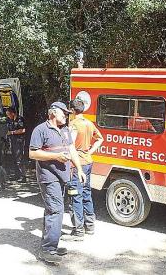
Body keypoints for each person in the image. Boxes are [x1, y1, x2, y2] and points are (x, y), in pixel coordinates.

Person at [29, 102, 86, 264]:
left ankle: (49, 245)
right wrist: (56, 157)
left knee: (52, 210)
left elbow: (72, 149)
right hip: (48, 177)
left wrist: (80, 170)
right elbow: (33, 153)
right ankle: (48, 249)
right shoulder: (40, 130)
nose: (66, 116)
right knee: (56, 210)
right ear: (53, 113)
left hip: (62, 177)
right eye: (63, 113)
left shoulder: (66, 130)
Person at [64, 98, 104, 241]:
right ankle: (90, 226)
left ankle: (78, 231)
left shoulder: (73, 125)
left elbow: (70, 145)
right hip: (88, 162)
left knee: (75, 195)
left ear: (72, 111)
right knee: (86, 192)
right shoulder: (88, 123)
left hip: (76, 165)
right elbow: (100, 139)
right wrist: (90, 151)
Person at [6, 107, 26, 182]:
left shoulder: (20, 119)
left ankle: (22, 176)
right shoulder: (9, 120)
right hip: (12, 141)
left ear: (13, 113)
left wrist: (12, 132)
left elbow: (23, 130)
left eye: (8, 114)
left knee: (19, 158)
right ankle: (16, 175)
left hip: (19, 141)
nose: (8, 116)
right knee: (14, 158)